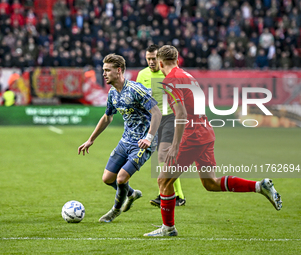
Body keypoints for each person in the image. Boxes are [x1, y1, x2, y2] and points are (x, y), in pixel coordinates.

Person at [144, 45, 282, 237]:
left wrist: (175, 145)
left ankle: (168, 228)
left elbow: (182, 113)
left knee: (163, 181)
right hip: (205, 132)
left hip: (191, 136)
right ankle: (260, 186)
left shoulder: (171, 80)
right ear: (178, 59)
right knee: (210, 183)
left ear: (159, 63)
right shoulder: (187, 76)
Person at [78, 54, 162, 223]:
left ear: (118, 71)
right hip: (126, 140)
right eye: (103, 70)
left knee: (121, 177)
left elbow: (157, 113)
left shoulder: (135, 90)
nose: (104, 74)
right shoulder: (112, 94)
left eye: (107, 70)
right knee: (107, 179)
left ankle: (115, 211)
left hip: (143, 143)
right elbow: (107, 117)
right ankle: (131, 193)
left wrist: (149, 138)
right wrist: (91, 139)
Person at [136, 44, 186, 207]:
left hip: (170, 117)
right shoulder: (142, 75)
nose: (151, 62)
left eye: (153, 59)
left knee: (164, 156)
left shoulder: (168, 74)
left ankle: (174, 195)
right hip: (153, 119)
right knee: (162, 159)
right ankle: (174, 194)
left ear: (160, 59)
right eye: (148, 59)